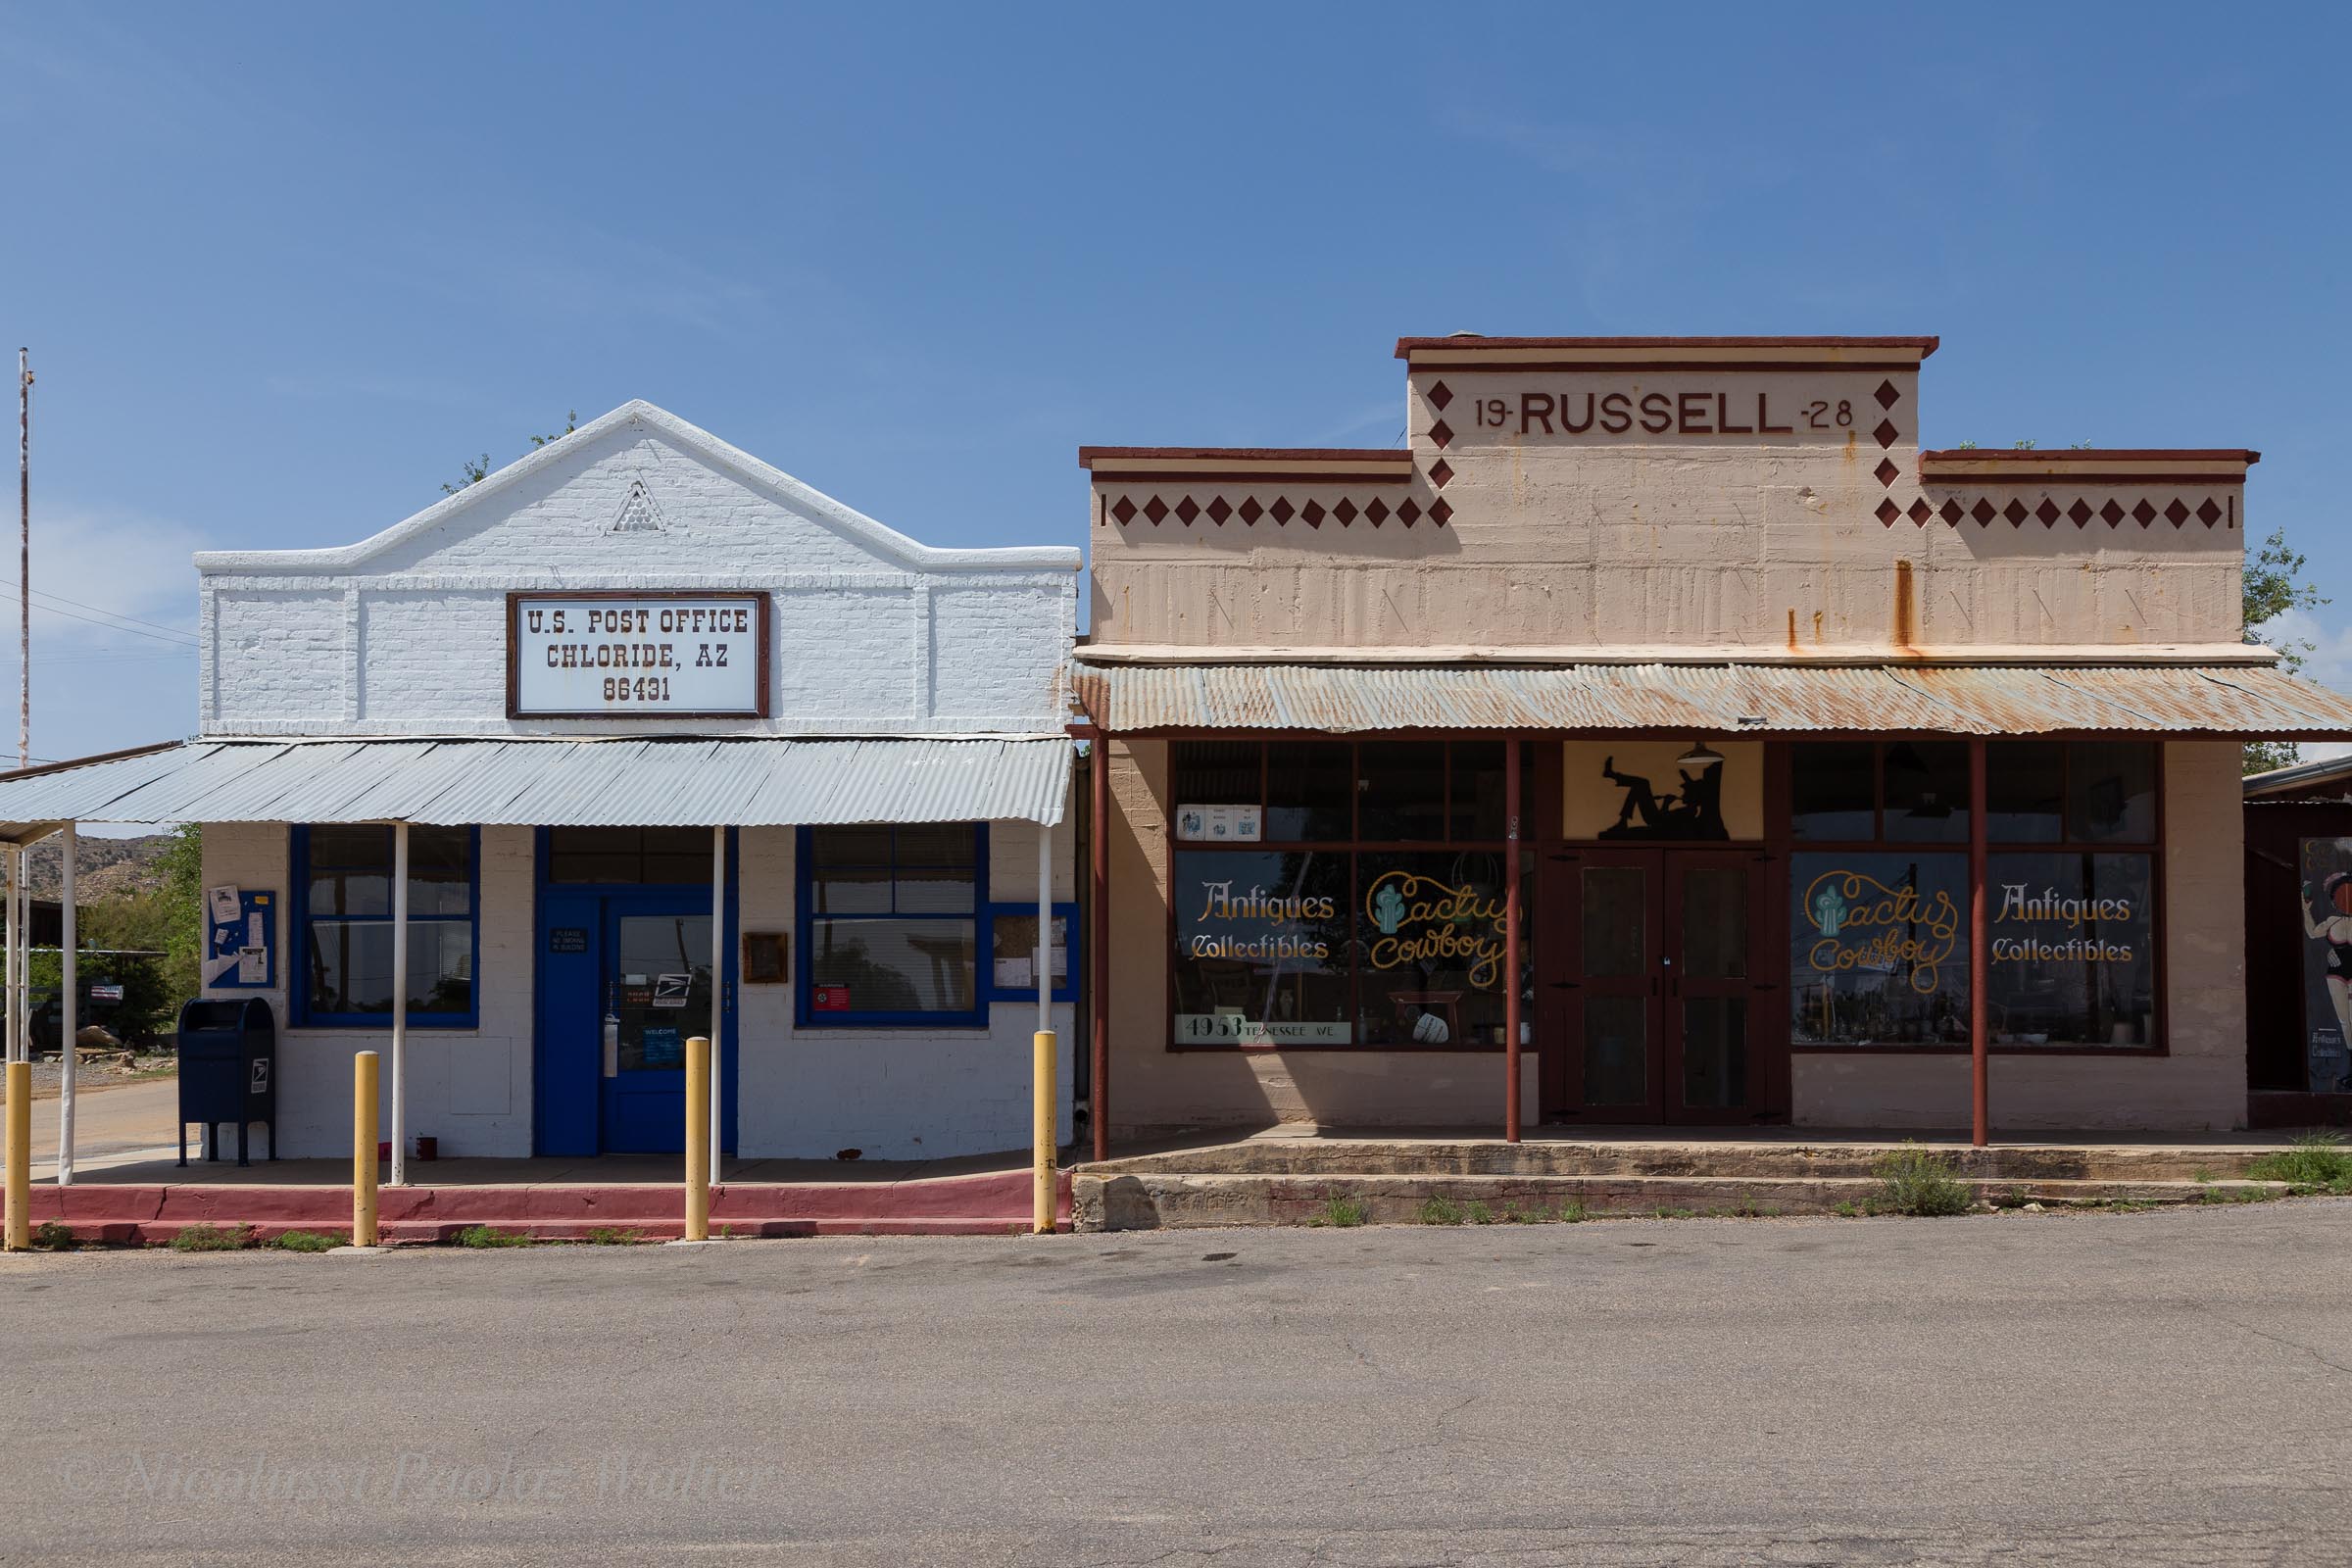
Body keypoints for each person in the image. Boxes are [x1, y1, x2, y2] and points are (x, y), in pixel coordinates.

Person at [2301, 872, 2352, 1086]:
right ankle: (2348, 1069)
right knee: (2344, 1021)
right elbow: (2313, 934)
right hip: (2336, 973)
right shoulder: (2332, 920)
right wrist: (2305, 909)